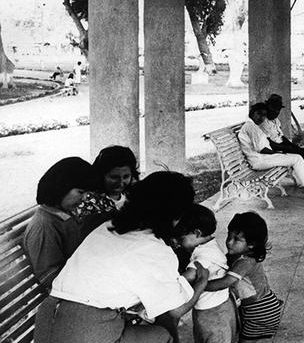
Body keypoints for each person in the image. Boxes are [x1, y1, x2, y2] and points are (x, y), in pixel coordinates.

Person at [35, 172, 211, 343]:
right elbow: (173, 312)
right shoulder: (154, 248)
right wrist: (202, 283)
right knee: (163, 335)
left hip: (48, 320)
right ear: (175, 216)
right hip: (86, 330)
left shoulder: (110, 227)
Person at [205, 212, 284, 342]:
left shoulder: (245, 261)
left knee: (245, 340)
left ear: (251, 244)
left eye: (236, 239)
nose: (229, 242)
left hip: (261, 310)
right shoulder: (235, 254)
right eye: (228, 236)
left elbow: (226, 281)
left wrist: (201, 285)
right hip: (254, 306)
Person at [22, 157, 94, 290]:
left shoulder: (63, 214)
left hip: (80, 279)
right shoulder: (43, 227)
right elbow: (48, 277)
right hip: (66, 294)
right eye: (81, 192)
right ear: (62, 187)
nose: (84, 198)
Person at [173, 205, 237, 343]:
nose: (178, 243)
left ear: (197, 233)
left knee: (212, 336)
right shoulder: (210, 245)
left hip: (212, 312)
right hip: (218, 306)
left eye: (181, 238)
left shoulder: (204, 256)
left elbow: (189, 276)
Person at [238, 103, 304, 200]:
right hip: (259, 160)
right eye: (259, 114)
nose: (261, 117)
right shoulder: (250, 126)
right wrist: (277, 153)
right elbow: (262, 149)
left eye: (264, 115)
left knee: (297, 157)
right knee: (296, 159)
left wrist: (279, 154)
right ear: (252, 113)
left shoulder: (253, 125)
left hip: (263, 157)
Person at [75, 145, 140, 229]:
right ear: (101, 175)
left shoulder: (134, 195)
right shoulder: (88, 201)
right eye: (114, 177)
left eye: (126, 176)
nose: (121, 183)